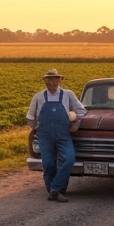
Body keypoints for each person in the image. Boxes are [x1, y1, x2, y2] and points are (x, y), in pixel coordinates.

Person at [26, 69, 87, 202]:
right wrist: (38, 128)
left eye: (55, 79)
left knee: (69, 159)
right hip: (45, 135)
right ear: (45, 81)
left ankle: (55, 189)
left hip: (63, 133)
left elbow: (81, 110)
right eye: (49, 79)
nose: (52, 82)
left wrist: (75, 123)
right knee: (48, 164)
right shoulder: (38, 97)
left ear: (60, 80)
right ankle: (55, 192)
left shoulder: (68, 94)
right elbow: (30, 118)